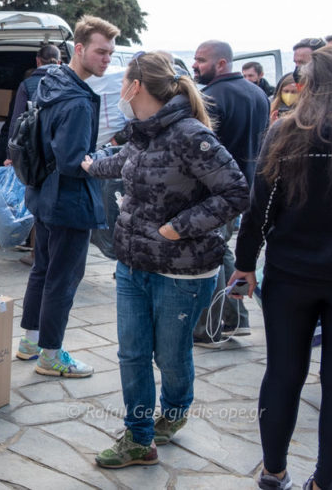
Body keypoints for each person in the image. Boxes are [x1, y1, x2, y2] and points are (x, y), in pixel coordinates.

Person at [81, 53, 248, 467]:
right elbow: (125, 163)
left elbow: (236, 193)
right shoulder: (141, 133)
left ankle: (173, 413)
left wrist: (178, 227)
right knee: (132, 354)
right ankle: (139, 439)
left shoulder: (190, 135)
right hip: (133, 264)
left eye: (123, 81)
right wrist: (89, 165)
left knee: (170, 358)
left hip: (182, 273)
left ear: (135, 86)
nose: (119, 87)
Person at [231, 46, 332, 490]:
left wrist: (245, 264)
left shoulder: (285, 133)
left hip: (290, 274)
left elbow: (260, 210)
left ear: (309, 83)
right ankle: (324, 481)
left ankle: (273, 471)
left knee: (282, 373)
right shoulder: (284, 131)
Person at [16, 15, 117, 378]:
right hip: (69, 201)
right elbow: (75, 162)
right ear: (79, 49)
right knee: (63, 278)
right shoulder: (76, 101)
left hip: (43, 195)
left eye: (111, 53)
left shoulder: (52, 82)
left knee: (43, 271)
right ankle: (51, 355)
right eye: (100, 51)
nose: (107, 59)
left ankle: (30, 341)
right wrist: (108, 155)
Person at [190, 40, 270, 344]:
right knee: (223, 249)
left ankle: (213, 325)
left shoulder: (208, 97)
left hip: (215, 191)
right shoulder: (259, 94)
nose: (195, 66)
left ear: (221, 64)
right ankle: (237, 319)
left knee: (214, 251)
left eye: (201, 60)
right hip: (246, 188)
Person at [0, 43, 62, 167]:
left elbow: (16, 121)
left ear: (37, 61)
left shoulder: (27, 85)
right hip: (59, 149)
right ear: (59, 62)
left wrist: (11, 155)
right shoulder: (68, 83)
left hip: (33, 151)